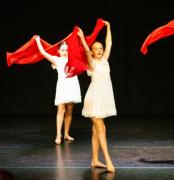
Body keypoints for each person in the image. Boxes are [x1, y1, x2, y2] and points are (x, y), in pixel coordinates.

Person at [77, 20, 116, 173]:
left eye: (101, 48)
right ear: (92, 51)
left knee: (96, 130)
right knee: (101, 129)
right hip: (93, 100)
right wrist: (81, 37)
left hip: (102, 99)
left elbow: (110, 43)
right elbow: (86, 52)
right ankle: (108, 160)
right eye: (96, 48)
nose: (99, 50)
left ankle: (95, 160)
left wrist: (108, 27)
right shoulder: (91, 63)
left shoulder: (105, 61)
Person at [35, 36, 81, 145]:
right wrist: (37, 41)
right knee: (61, 110)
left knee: (69, 110)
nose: (65, 52)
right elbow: (43, 52)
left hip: (72, 85)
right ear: (58, 51)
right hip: (63, 86)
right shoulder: (57, 60)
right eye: (63, 50)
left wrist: (79, 36)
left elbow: (81, 49)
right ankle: (58, 135)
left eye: (67, 50)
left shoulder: (74, 58)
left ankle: (66, 134)